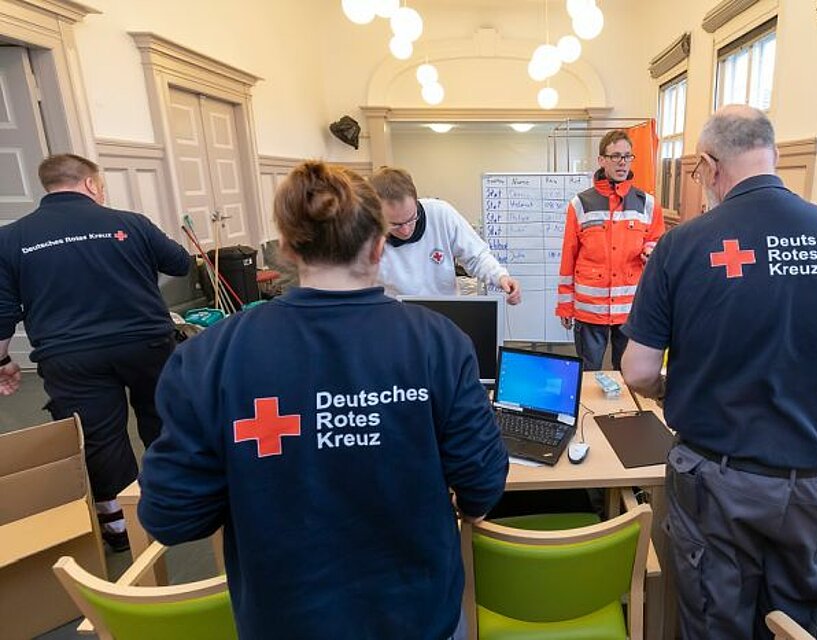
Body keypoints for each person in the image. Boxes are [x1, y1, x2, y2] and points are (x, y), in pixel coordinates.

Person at [138, 161, 509, 639]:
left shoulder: (209, 357)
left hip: (284, 618)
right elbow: (482, 483)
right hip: (418, 613)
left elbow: (171, 517)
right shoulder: (439, 343)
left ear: (289, 248)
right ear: (379, 245)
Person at [620, 105, 817, 638]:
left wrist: (668, 389)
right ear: (770, 154)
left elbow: (636, 369)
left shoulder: (685, 243)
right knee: (797, 621)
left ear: (708, 162)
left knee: (716, 617)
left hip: (719, 481)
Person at [0, 153, 191, 552]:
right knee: (164, 418)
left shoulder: (10, 238)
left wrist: (2, 361)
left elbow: (3, 312)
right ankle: (172, 505)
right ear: (91, 184)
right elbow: (180, 264)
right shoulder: (130, 222)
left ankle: (121, 529)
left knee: (101, 438)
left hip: (69, 356)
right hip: (146, 343)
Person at [556, 129, 665, 371]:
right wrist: (565, 303)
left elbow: (656, 240)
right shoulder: (580, 204)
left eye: (627, 156)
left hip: (630, 308)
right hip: (589, 308)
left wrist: (650, 249)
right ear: (601, 160)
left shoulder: (647, 203)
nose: (622, 162)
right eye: (615, 156)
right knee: (588, 371)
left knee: (628, 371)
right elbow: (568, 256)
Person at [368, 166, 521, 304]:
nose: (406, 230)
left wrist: (500, 277)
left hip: (442, 313)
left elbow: (477, 256)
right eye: (395, 224)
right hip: (396, 316)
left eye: (411, 219)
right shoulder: (367, 233)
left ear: (416, 202)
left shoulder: (440, 213)